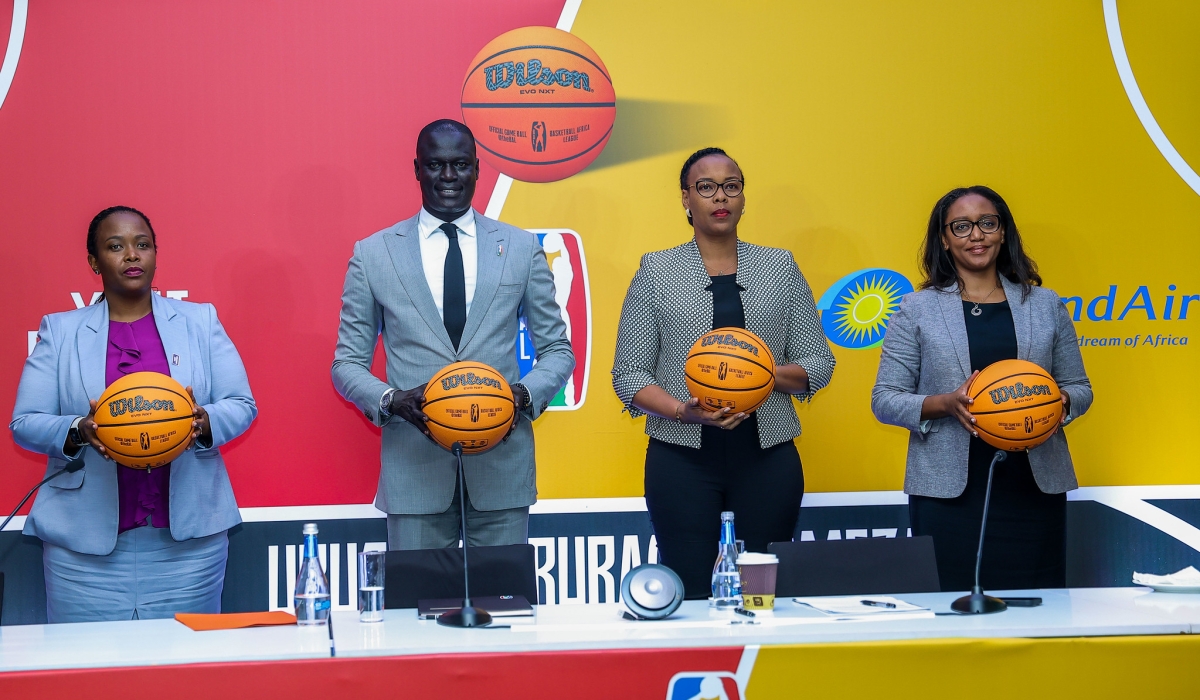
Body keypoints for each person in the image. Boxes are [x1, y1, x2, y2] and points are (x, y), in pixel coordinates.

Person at [332, 119, 573, 550]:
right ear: (417, 169)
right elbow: (346, 364)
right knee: (413, 614)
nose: (448, 177)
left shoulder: (520, 248)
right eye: (436, 165)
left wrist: (520, 396)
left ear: (478, 169)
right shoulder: (373, 254)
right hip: (414, 469)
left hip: (501, 468)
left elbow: (557, 349)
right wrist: (392, 400)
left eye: (460, 165)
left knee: (504, 609)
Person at [10, 206, 257, 623]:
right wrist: (79, 429)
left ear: (156, 254)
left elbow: (241, 405)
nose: (131, 255)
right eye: (115, 246)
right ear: (94, 261)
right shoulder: (60, 330)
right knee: (88, 683)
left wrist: (201, 422)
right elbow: (25, 421)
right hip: (82, 553)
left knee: (185, 681)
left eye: (142, 245)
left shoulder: (200, 321)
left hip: (188, 550)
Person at [611, 147, 836, 598]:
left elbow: (819, 364)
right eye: (706, 187)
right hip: (681, 457)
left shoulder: (779, 267)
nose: (721, 197)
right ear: (685, 198)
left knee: (762, 593)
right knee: (689, 588)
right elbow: (628, 375)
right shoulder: (657, 270)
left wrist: (762, 379)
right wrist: (682, 411)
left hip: (767, 453)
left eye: (731, 186)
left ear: (743, 198)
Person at [872, 186, 1092, 591]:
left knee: (1036, 613)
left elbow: (1079, 387)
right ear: (944, 238)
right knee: (952, 613)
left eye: (987, 223)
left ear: (1003, 232)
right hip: (948, 495)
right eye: (962, 226)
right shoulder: (916, 308)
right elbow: (885, 399)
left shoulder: (1045, 304)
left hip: (1033, 487)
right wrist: (945, 403)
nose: (976, 235)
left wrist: (1060, 402)